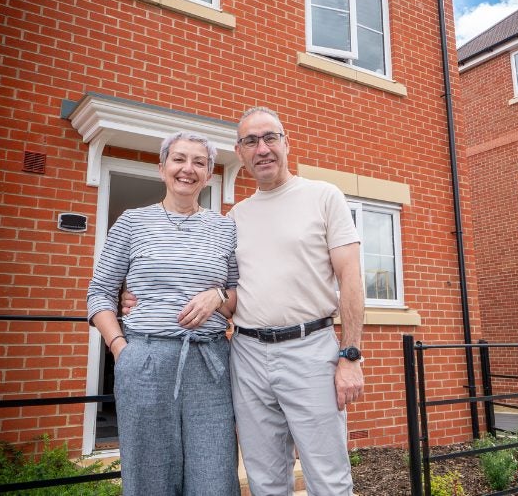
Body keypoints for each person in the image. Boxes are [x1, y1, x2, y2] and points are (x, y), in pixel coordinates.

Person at [87, 131, 240, 496]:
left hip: (210, 362)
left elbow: (237, 296)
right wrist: (121, 349)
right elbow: (100, 294)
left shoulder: (226, 227)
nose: (188, 169)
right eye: (179, 159)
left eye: (199, 162)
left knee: (215, 476)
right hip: (146, 359)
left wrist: (216, 296)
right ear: (162, 168)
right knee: (149, 477)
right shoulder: (131, 223)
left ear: (208, 174)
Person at [227, 106, 365, 496]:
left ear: (287, 143)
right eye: (251, 141)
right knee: (264, 480)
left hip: (311, 351)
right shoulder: (235, 216)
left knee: (329, 479)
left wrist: (350, 354)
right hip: (248, 355)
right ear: (240, 152)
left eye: (271, 137)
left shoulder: (323, 197)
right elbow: (227, 292)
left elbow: (351, 278)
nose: (262, 148)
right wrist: (140, 296)